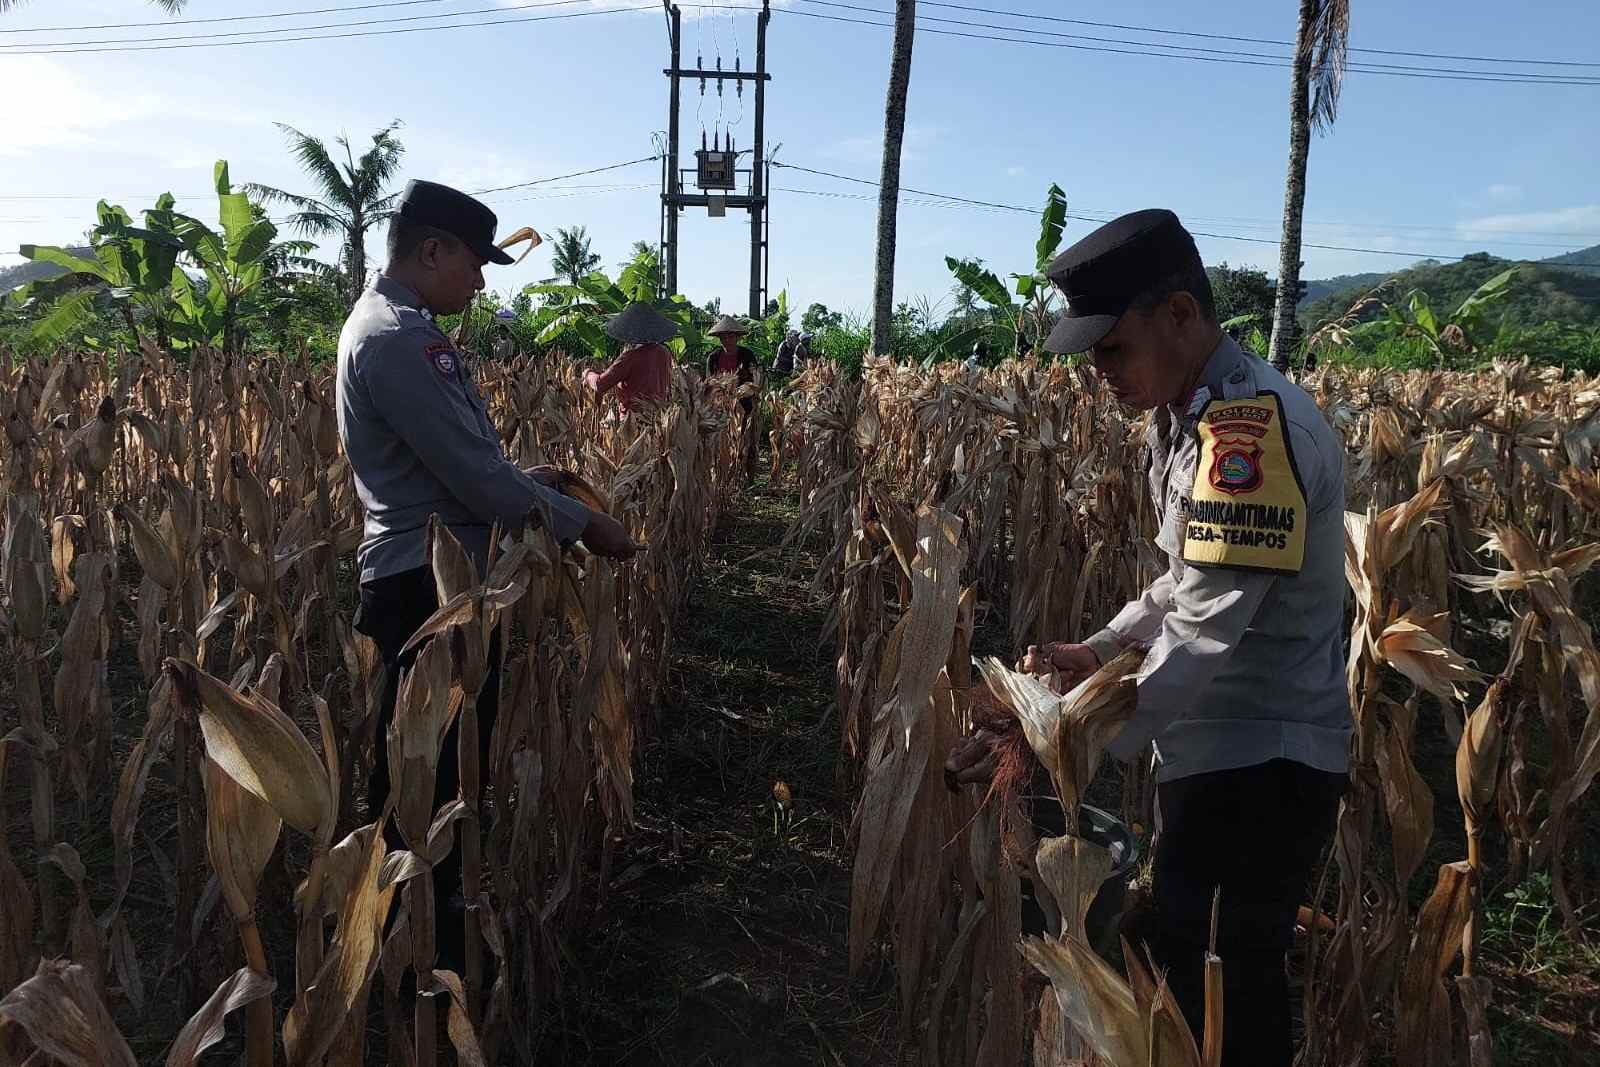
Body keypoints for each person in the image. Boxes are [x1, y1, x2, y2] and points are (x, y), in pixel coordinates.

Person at [945, 209, 1349, 1067]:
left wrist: (1062, 723)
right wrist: (1101, 651)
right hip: (1219, 757)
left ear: (1178, 316)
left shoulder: (1250, 433)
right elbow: (1182, 583)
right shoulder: (1193, 414)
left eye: (1111, 349)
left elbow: (1203, 632)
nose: (1099, 374)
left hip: (1262, 769)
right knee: (1193, 969)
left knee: (1230, 988)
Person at [336, 179, 637, 973]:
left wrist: (521, 478)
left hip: (425, 576)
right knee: (425, 780)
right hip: (428, 589)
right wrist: (584, 524)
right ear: (431, 249)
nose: (481, 280)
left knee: (422, 768)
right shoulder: (401, 338)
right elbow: (475, 484)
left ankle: (422, 935)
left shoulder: (393, 326)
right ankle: (421, 958)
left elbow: (456, 466)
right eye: (474, 263)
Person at [585, 301, 677, 414]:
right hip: (658, 418)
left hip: (633, 422)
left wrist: (588, 374)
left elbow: (600, 384)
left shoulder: (630, 357)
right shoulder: (664, 353)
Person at [707, 315, 761, 477]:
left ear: (737, 337)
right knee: (722, 443)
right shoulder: (713, 358)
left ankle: (746, 476)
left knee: (745, 442)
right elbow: (710, 383)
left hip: (743, 406)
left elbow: (755, 380)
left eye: (730, 336)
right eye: (723, 337)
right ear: (719, 339)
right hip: (720, 407)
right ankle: (724, 476)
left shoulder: (747, 355)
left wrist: (742, 392)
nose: (727, 340)